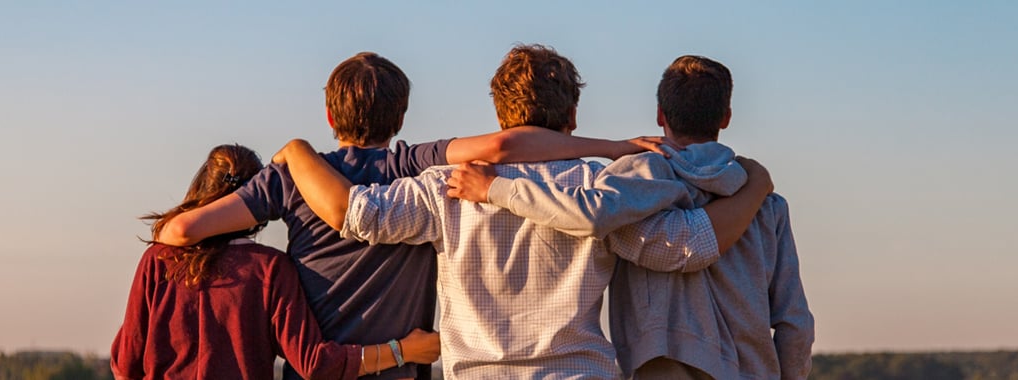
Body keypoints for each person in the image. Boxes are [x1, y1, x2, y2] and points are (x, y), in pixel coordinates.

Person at [154, 52, 697, 379]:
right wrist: (611, 148)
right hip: (409, 365)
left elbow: (179, 232)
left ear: (328, 113)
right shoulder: (411, 164)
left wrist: (293, 157)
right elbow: (507, 147)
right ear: (402, 114)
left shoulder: (299, 176)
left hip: (322, 367)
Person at [273, 44, 775, 378]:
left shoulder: (445, 187)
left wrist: (297, 152)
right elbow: (687, 247)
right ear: (573, 115)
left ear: (499, 114)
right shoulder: (599, 188)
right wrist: (754, 188)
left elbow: (356, 215)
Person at [447, 55, 815, 379]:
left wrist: (496, 189)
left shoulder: (633, 185)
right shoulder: (768, 205)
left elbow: (592, 214)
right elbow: (794, 320)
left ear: (660, 115)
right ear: (726, 117)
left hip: (664, 365)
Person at [110, 144, 442, 380]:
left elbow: (126, 365)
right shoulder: (269, 269)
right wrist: (403, 351)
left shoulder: (158, 259)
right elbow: (314, 364)